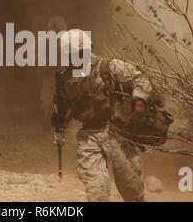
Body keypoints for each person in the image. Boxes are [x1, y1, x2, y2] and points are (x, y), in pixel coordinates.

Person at [55, 29, 152, 202]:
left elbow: (140, 78)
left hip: (117, 133)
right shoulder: (67, 78)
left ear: (85, 50)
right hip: (88, 136)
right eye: (68, 54)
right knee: (96, 189)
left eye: (74, 53)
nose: (71, 58)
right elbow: (65, 107)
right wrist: (58, 117)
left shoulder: (108, 66)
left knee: (131, 188)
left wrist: (139, 101)